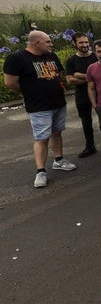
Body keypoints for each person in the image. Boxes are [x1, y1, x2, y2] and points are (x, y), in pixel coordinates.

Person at [3, 31, 77, 188]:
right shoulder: (17, 59)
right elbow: (10, 82)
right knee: (42, 137)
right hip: (38, 106)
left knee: (57, 133)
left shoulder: (52, 56)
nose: (51, 44)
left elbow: (59, 75)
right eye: (48, 42)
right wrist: (29, 91)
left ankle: (59, 160)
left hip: (58, 102)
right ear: (36, 43)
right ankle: (41, 171)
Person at [65, 32, 98, 158]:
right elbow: (70, 80)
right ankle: (90, 146)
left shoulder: (96, 57)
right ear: (74, 43)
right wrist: (91, 78)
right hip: (82, 96)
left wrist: (80, 75)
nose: (84, 45)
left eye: (86, 42)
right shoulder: (71, 61)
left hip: (98, 93)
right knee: (86, 122)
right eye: (81, 43)